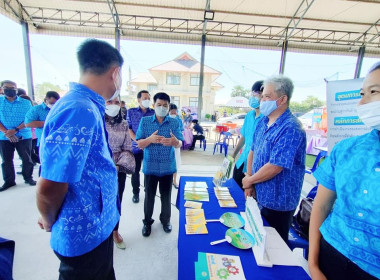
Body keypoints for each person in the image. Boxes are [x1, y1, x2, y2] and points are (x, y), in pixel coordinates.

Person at [36, 39, 123, 279]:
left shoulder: (88, 106)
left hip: (97, 227)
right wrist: (48, 219)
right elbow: (50, 185)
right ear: (115, 73)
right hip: (83, 233)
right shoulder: (78, 109)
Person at [308, 62, 380, 280]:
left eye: (373, 92)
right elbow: (321, 206)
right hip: (330, 255)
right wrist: (313, 262)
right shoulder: (346, 149)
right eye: (362, 93)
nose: (363, 102)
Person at [242, 75, 306, 242]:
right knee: (255, 240)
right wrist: (249, 178)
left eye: (267, 97)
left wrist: (250, 181)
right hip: (259, 194)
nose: (262, 100)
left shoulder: (291, 128)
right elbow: (252, 151)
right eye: (262, 96)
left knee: (274, 249)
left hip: (278, 203)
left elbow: (276, 166)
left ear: (282, 99)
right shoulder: (263, 121)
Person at [136, 92, 183, 237]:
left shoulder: (174, 122)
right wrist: (149, 139)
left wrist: (175, 142)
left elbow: (180, 143)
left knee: (166, 196)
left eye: (165, 105)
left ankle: (165, 220)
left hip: (168, 167)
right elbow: (139, 144)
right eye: (159, 105)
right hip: (150, 167)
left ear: (169, 107)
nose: (162, 108)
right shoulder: (145, 122)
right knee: (149, 197)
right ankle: (147, 222)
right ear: (153, 105)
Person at [105, 98, 135, 250]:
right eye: (109, 102)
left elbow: (127, 147)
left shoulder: (123, 124)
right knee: (100, 201)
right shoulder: (96, 121)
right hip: (99, 167)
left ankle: (115, 231)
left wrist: (118, 165)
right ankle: (102, 233)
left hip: (118, 167)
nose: (113, 105)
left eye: (117, 102)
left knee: (117, 199)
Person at [0, 80, 35, 192]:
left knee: (26, 158)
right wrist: (6, 132)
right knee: (6, 160)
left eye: (12, 87)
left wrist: (15, 130)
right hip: (4, 136)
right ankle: (9, 181)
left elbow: (29, 119)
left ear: (16, 89)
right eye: (6, 87)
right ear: (2, 89)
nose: (9, 89)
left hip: (24, 134)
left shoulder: (25, 103)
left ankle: (28, 177)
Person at [231, 81, 264, 189]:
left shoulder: (267, 118)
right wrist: (233, 155)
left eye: (256, 94)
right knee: (234, 191)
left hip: (255, 168)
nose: (253, 97)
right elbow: (244, 137)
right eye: (252, 94)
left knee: (248, 199)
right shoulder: (249, 115)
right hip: (241, 161)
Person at [126, 90, 155, 203]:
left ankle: (148, 192)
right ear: (138, 100)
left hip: (150, 147)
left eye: (148, 98)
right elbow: (128, 129)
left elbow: (156, 128)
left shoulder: (153, 113)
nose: (147, 100)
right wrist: (138, 141)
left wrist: (147, 141)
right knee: (135, 171)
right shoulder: (131, 112)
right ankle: (135, 193)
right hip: (135, 146)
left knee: (148, 171)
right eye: (144, 98)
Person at [24, 91, 60, 165]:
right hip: (43, 140)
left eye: (56, 103)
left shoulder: (59, 109)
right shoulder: (36, 109)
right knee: (44, 164)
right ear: (45, 99)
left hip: (58, 141)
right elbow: (28, 123)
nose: (53, 105)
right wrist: (49, 123)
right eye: (52, 103)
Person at [169, 103, 184, 188]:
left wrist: (177, 140)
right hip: (166, 145)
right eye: (172, 112)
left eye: (175, 112)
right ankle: (167, 181)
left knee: (175, 163)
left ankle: (174, 180)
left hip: (176, 144)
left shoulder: (179, 120)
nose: (174, 114)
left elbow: (181, 131)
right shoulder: (164, 119)